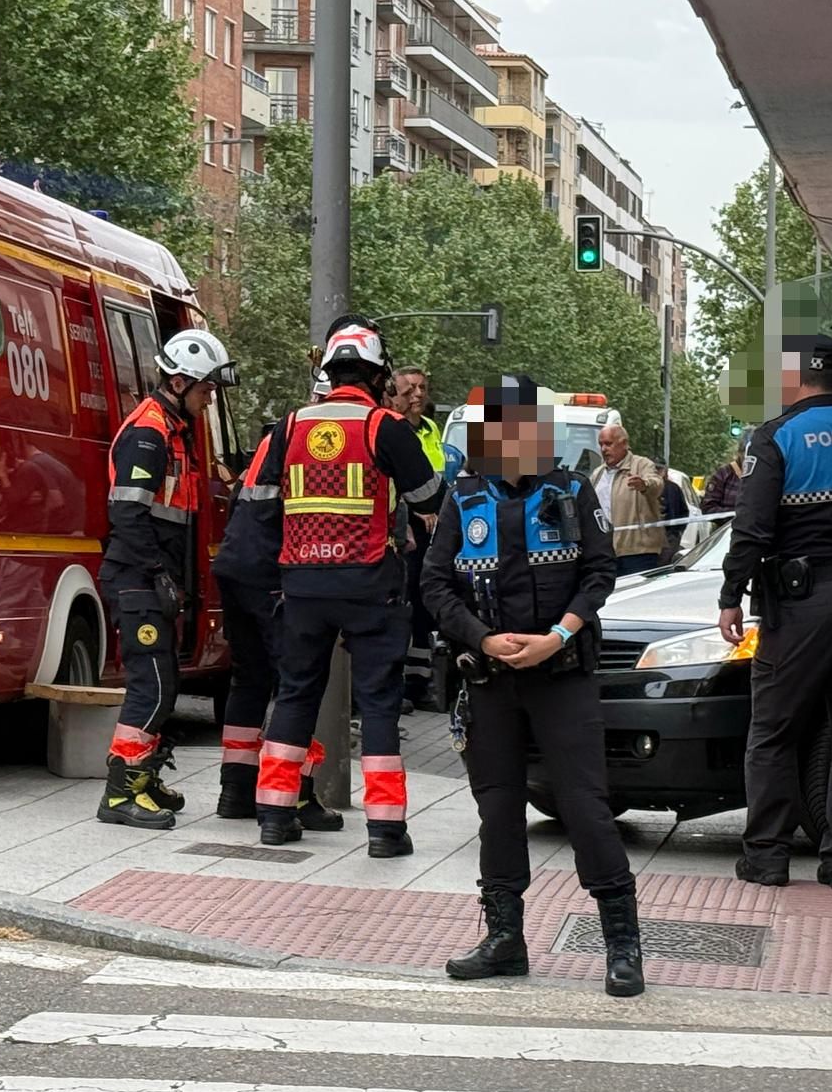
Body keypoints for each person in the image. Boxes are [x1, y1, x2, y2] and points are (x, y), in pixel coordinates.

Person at [422, 373, 643, 997]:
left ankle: (622, 944)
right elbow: (435, 585)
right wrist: (482, 638)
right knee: (498, 809)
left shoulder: (572, 490)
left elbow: (600, 575)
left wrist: (558, 636)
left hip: (561, 674)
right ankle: (504, 939)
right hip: (491, 679)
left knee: (584, 806)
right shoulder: (464, 497)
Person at [249, 316, 444, 854]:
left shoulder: (288, 427)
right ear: (379, 375)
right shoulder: (383, 426)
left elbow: (258, 507)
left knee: (294, 696)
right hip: (370, 586)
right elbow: (429, 497)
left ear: (330, 372)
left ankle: (273, 814)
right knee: (379, 703)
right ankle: (385, 829)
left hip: (303, 587)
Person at [719, 334, 832, 889]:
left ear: (795, 376)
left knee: (772, 727)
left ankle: (767, 855)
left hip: (802, 601)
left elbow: (751, 529)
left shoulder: (774, 437)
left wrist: (730, 594)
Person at [96, 330, 236, 829]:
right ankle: (120, 794)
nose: (210, 396)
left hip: (148, 578)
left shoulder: (173, 430)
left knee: (165, 682)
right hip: (137, 579)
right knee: (151, 687)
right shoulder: (150, 434)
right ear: (178, 381)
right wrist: (158, 576)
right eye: (206, 387)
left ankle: (144, 777)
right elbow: (128, 515)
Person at [211, 424, 340, 831]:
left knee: (248, 680)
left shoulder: (277, 435)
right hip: (272, 572)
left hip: (236, 566)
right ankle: (292, 796)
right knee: (296, 685)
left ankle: (235, 790)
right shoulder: (323, 438)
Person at [390, 366, 445, 706]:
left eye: (422, 387)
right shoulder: (390, 429)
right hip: (403, 529)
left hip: (431, 532)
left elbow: (437, 479)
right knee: (400, 605)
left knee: (425, 605)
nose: (418, 395)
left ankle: (419, 682)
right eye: (409, 389)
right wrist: (412, 513)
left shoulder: (431, 429)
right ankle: (396, 682)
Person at [592, 423, 664, 577]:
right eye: (601, 444)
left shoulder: (642, 465)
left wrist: (644, 485)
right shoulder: (598, 474)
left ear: (624, 443)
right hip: (605, 552)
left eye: (608, 444)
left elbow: (656, 484)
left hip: (638, 552)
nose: (604, 449)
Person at [701, 431, 749, 518]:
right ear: (739, 453)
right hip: (727, 528)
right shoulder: (723, 475)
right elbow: (708, 508)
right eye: (747, 454)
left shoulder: (765, 475)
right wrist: (737, 514)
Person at [657, 459, 690, 567]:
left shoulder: (673, 488)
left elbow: (684, 511)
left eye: (659, 469)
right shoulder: (642, 488)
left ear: (664, 470)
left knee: (665, 565)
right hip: (649, 537)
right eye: (654, 469)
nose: (656, 472)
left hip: (669, 536)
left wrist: (678, 532)